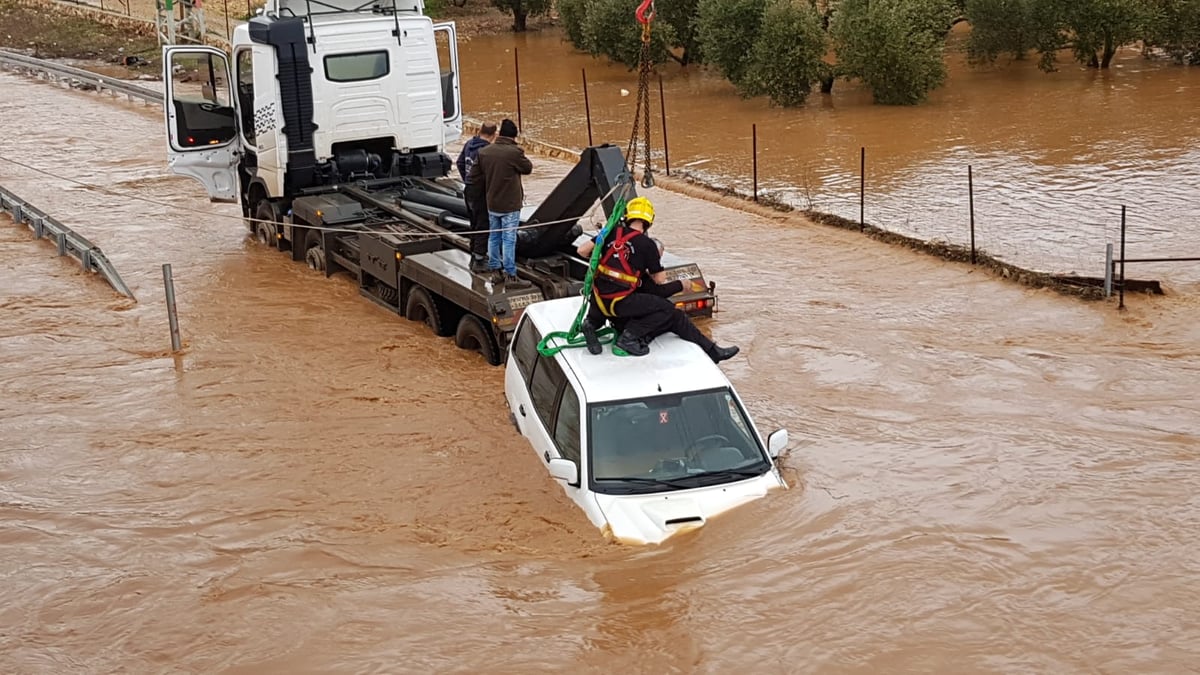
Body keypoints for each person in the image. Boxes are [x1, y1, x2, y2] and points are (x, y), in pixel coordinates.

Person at [576, 196, 739, 363]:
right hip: (622, 304)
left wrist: (605, 240)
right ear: (649, 221)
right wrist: (677, 281)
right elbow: (660, 281)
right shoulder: (646, 245)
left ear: (628, 215)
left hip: (599, 301)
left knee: (675, 317)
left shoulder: (611, 233)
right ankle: (629, 338)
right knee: (667, 308)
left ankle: (712, 351)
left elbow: (582, 251)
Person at [467, 118, 532, 288]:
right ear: (513, 137)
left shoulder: (485, 152)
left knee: (494, 237)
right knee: (509, 240)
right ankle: (511, 275)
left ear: (499, 134)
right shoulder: (514, 152)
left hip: (492, 203)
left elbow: (473, 176)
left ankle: (496, 272)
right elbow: (528, 168)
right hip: (510, 205)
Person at [456, 122, 497, 273]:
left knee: (473, 221)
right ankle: (479, 260)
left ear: (480, 131)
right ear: (494, 135)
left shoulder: (469, 144)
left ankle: (473, 252)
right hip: (481, 192)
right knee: (483, 223)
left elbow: (460, 162)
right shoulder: (487, 151)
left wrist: (466, 179)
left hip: (469, 189)